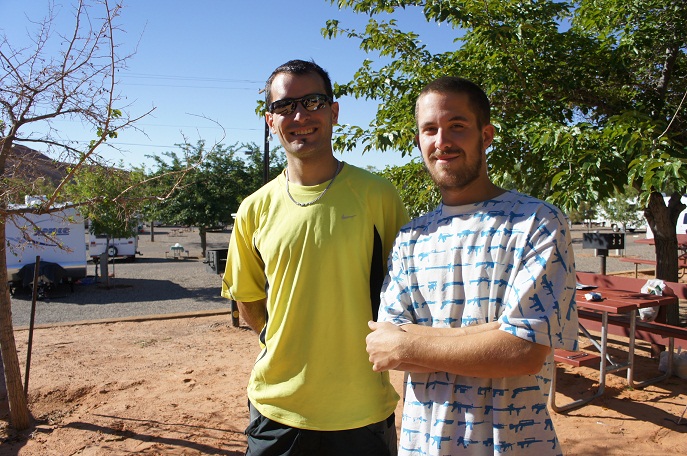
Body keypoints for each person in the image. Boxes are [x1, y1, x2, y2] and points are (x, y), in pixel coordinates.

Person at [365, 76, 578, 456]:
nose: (442, 141)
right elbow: (385, 347)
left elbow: (524, 353)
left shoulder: (537, 222)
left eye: (457, 126)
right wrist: (495, 333)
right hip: (422, 446)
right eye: (430, 129)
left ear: (486, 135)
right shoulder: (412, 236)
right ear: (418, 140)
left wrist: (411, 342)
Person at [221, 59, 409, 456]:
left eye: (313, 102)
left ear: (334, 111)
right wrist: (285, 342)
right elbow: (248, 299)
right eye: (285, 106)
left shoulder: (378, 195)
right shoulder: (254, 208)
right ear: (270, 120)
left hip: (361, 410)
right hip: (277, 409)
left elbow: (408, 291)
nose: (300, 116)